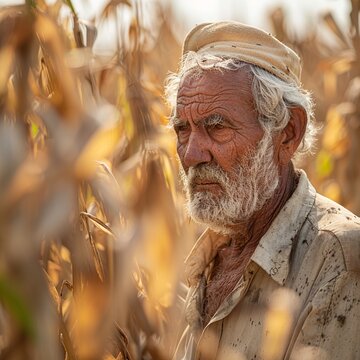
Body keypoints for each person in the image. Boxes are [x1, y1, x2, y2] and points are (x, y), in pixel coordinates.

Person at [165, 21, 360, 360]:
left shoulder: (340, 258)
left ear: (287, 133)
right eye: (183, 130)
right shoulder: (207, 259)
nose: (191, 154)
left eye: (217, 127)